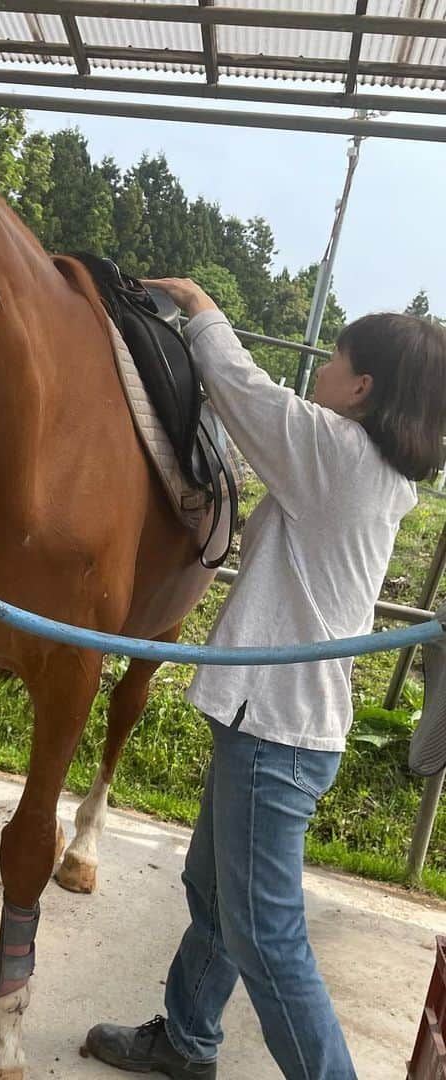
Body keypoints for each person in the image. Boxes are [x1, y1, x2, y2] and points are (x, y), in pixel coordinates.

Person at [83, 280, 446, 1080]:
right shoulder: (368, 469)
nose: (321, 369)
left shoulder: (342, 456)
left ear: (363, 388)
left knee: (265, 935)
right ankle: (186, 1039)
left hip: (276, 736)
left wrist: (205, 309)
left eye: (335, 358)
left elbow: (247, 397)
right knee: (213, 894)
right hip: (275, 728)